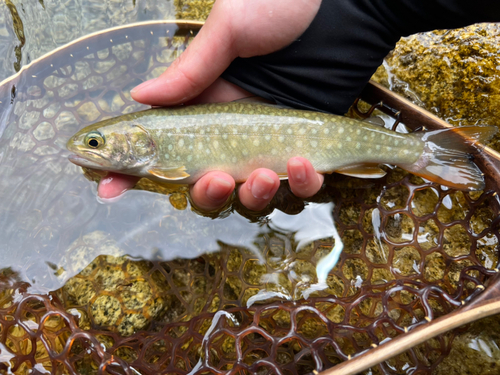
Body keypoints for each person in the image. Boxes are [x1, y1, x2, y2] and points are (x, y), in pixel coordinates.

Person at [97, 0, 500, 211]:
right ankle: (423, 151)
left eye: (97, 143)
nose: (92, 151)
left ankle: (422, 151)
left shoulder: (161, 163)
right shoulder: (153, 153)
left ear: (133, 138)